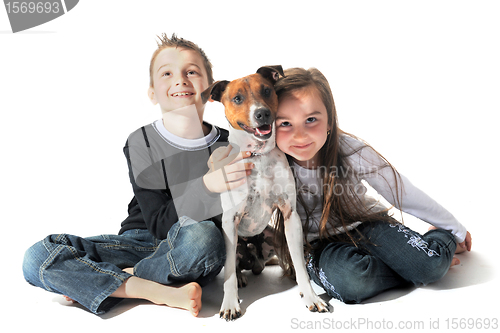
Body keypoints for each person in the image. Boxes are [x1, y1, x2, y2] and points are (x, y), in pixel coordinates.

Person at [22, 34, 252, 317]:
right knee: (36, 257)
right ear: (153, 92)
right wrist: (207, 185)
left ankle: (112, 280)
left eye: (191, 72)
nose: (180, 79)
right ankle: (157, 291)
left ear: (212, 89)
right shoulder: (141, 141)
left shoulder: (231, 144)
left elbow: (237, 215)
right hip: (140, 240)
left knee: (206, 238)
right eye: (167, 73)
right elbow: (157, 224)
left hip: (190, 247)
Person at [272, 67, 472, 304]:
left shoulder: (349, 149)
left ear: (329, 120)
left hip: (365, 223)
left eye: (311, 120)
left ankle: (433, 244)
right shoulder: (270, 165)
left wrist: (454, 228)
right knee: (352, 281)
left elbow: (400, 191)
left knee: (428, 266)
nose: (300, 135)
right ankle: (407, 264)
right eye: (285, 123)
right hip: (315, 245)